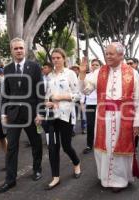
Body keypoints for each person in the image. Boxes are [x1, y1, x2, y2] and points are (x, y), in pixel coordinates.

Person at [79, 43, 139, 192]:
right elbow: (85, 90)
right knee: (104, 148)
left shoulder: (132, 73)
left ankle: (120, 180)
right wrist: (82, 75)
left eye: (111, 54)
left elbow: (138, 99)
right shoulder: (100, 72)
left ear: (121, 55)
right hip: (103, 117)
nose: (108, 56)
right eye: (106, 53)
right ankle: (105, 178)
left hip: (124, 116)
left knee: (121, 150)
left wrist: (138, 123)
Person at [0, 37, 44, 193]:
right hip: (13, 115)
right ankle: (10, 180)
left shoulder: (35, 67)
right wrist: (4, 112)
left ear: (25, 50)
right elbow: (6, 93)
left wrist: (40, 112)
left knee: (36, 143)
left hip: (31, 114)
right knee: (11, 147)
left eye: (21, 48)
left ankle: (37, 169)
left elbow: (40, 92)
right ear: (11, 51)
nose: (18, 50)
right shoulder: (8, 68)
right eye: (15, 48)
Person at [44, 48, 81, 190]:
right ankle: (55, 177)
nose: (55, 60)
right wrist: (47, 101)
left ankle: (76, 163)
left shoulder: (70, 74)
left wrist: (62, 97)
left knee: (66, 146)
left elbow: (77, 95)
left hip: (66, 115)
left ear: (64, 58)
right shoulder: (49, 76)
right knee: (53, 147)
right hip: (52, 115)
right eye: (53, 58)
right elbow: (47, 95)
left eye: (58, 57)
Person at [83, 58, 102, 154]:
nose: (94, 66)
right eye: (93, 65)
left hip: (101, 105)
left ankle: (101, 144)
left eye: (96, 65)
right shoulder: (87, 76)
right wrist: (82, 102)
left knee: (100, 126)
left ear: (100, 66)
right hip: (90, 104)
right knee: (90, 125)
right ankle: (89, 145)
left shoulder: (103, 76)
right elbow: (83, 90)